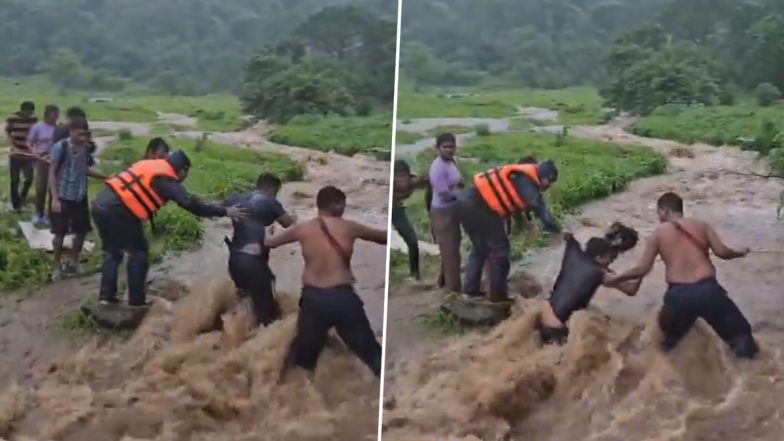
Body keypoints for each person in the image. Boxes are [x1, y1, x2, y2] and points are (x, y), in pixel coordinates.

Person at [605, 192, 758, 359]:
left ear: (663, 211)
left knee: (668, 346)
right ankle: (752, 375)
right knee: (741, 337)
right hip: (708, 291)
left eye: (658, 213)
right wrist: (740, 252)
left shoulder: (658, 234)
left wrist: (615, 279)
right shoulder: (702, 225)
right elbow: (722, 252)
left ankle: (663, 380)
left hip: (679, 296)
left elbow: (642, 269)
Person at [91, 149, 246, 307]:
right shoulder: (166, 179)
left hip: (100, 204)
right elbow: (190, 205)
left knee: (112, 253)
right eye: (185, 175)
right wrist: (225, 211)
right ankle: (136, 303)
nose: (183, 179)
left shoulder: (152, 164)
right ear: (181, 170)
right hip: (120, 212)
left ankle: (106, 297)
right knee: (139, 254)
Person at [266, 186, 386, 378]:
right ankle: (389, 394)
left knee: (304, 362)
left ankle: (296, 401)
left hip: (314, 300)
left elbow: (269, 243)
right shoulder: (349, 227)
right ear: (337, 205)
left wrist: (268, 229)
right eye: (343, 205)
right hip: (343, 298)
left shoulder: (302, 229)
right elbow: (383, 238)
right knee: (372, 354)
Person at [460, 159, 561, 302]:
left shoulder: (522, 176)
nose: (548, 187)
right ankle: (498, 297)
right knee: (501, 251)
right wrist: (554, 228)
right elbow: (538, 205)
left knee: (480, 248)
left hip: (467, 203)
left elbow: (515, 202)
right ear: (545, 177)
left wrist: (528, 224)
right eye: (549, 183)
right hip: (480, 207)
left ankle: (470, 291)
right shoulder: (526, 181)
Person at [537, 234, 641, 345]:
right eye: (609, 260)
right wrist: (643, 269)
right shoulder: (601, 274)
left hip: (543, 315)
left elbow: (568, 236)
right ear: (599, 258)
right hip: (558, 329)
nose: (609, 264)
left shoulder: (573, 249)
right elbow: (631, 289)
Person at [223, 173, 296, 327]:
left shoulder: (237, 198)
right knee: (267, 316)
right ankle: (256, 342)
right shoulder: (270, 202)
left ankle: (232, 332)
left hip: (234, 260)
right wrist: (294, 217)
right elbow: (287, 223)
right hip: (254, 263)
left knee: (244, 300)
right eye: (276, 192)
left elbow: (220, 206)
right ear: (272, 188)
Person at [48, 118, 107, 281]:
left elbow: (85, 169)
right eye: (80, 134)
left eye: (86, 134)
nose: (84, 137)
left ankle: (73, 261)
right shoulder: (61, 147)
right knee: (59, 233)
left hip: (79, 194)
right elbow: (52, 173)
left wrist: (105, 177)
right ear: (71, 132)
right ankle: (56, 266)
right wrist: (54, 198)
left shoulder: (85, 149)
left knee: (81, 230)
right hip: (61, 195)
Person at [428, 133, 463, 292]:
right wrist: (462, 197)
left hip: (451, 209)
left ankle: (443, 282)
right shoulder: (437, 167)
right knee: (451, 254)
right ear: (437, 149)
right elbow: (444, 193)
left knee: (451, 249)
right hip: (443, 212)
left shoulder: (450, 162)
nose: (449, 150)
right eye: (445, 147)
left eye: (452, 147)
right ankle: (453, 291)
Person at [392, 159, 427, 280]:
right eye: (397, 177)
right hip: (387, 209)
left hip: (396, 211)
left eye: (403, 176)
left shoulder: (415, 181)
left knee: (412, 242)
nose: (401, 180)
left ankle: (414, 274)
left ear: (409, 176)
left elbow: (431, 180)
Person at [5, 101, 37, 213]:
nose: (28, 115)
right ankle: (16, 204)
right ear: (22, 111)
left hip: (29, 155)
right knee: (15, 180)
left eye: (30, 113)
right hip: (15, 154)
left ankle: (23, 197)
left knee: (29, 178)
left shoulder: (34, 120)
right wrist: (13, 145)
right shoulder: (13, 118)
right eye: (27, 113)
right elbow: (8, 132)